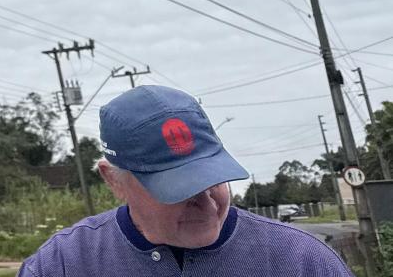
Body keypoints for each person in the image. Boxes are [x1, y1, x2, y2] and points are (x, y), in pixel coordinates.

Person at [19, 85, 354, 276]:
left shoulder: (301, 261)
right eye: (180, 188)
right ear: (115, 181)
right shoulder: (63, 264)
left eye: (214, 178)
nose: (207, 202)